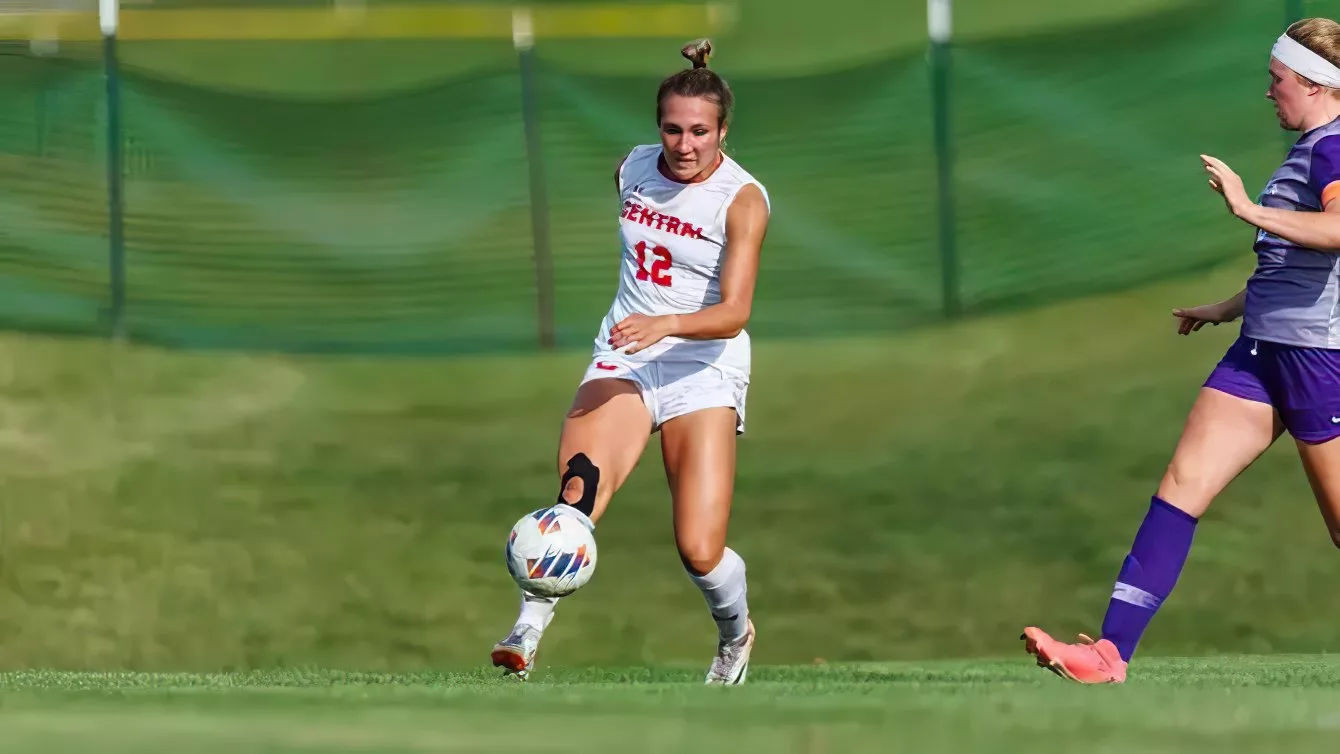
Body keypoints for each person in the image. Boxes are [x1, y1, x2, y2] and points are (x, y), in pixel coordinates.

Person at [1022, 17, 1340, 684]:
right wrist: (1226, 308)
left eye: (1276, 80)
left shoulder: (1335, 148)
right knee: (1180, 489)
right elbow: (1292, 263)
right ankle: (1110, 655)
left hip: (1319, 359)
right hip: (1261, 353)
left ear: (1314, 85)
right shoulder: (1312, 145)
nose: (1268, 93)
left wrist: (1246, 209)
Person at [490, 38, 771, 685]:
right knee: (576, 493)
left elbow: (735, 310)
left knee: (700, 549)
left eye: (700, 131)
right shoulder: (633, 168)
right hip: (626, 359)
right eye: (673, 128)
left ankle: (735, 634)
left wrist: (667, 321)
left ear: (723, 131)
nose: (684, 143)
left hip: (704, 368)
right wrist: (641, 329)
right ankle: (525, 636)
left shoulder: (742, 198)